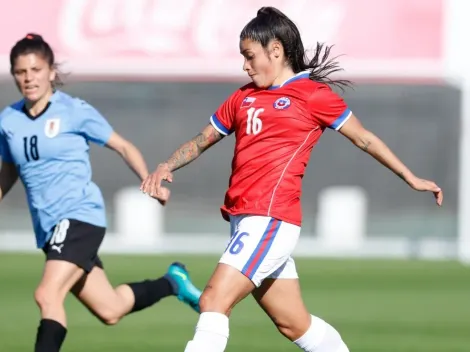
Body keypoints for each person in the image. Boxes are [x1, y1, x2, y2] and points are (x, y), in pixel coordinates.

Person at [141, 7, 443, 352]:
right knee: (294, 323)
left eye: (249, 56)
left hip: (270, 218)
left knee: (213, 301)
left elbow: (364, 138)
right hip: (244, 220)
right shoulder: (244, 96)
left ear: (276, 50)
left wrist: (410, 177)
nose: (245, 65)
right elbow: (202, 138)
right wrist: (167, 165)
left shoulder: (312, 95)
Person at [0, 33, 202, 352]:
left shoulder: (73, 110)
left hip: (80, 217)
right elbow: (9, 169)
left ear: (51, 71)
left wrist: (150, 180)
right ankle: (172, 282)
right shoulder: (8, 120)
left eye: (36, 70)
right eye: (21, 72)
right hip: (50, 230)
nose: (29, 78)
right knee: (110, 309)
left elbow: (122, 145)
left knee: (47, 295)